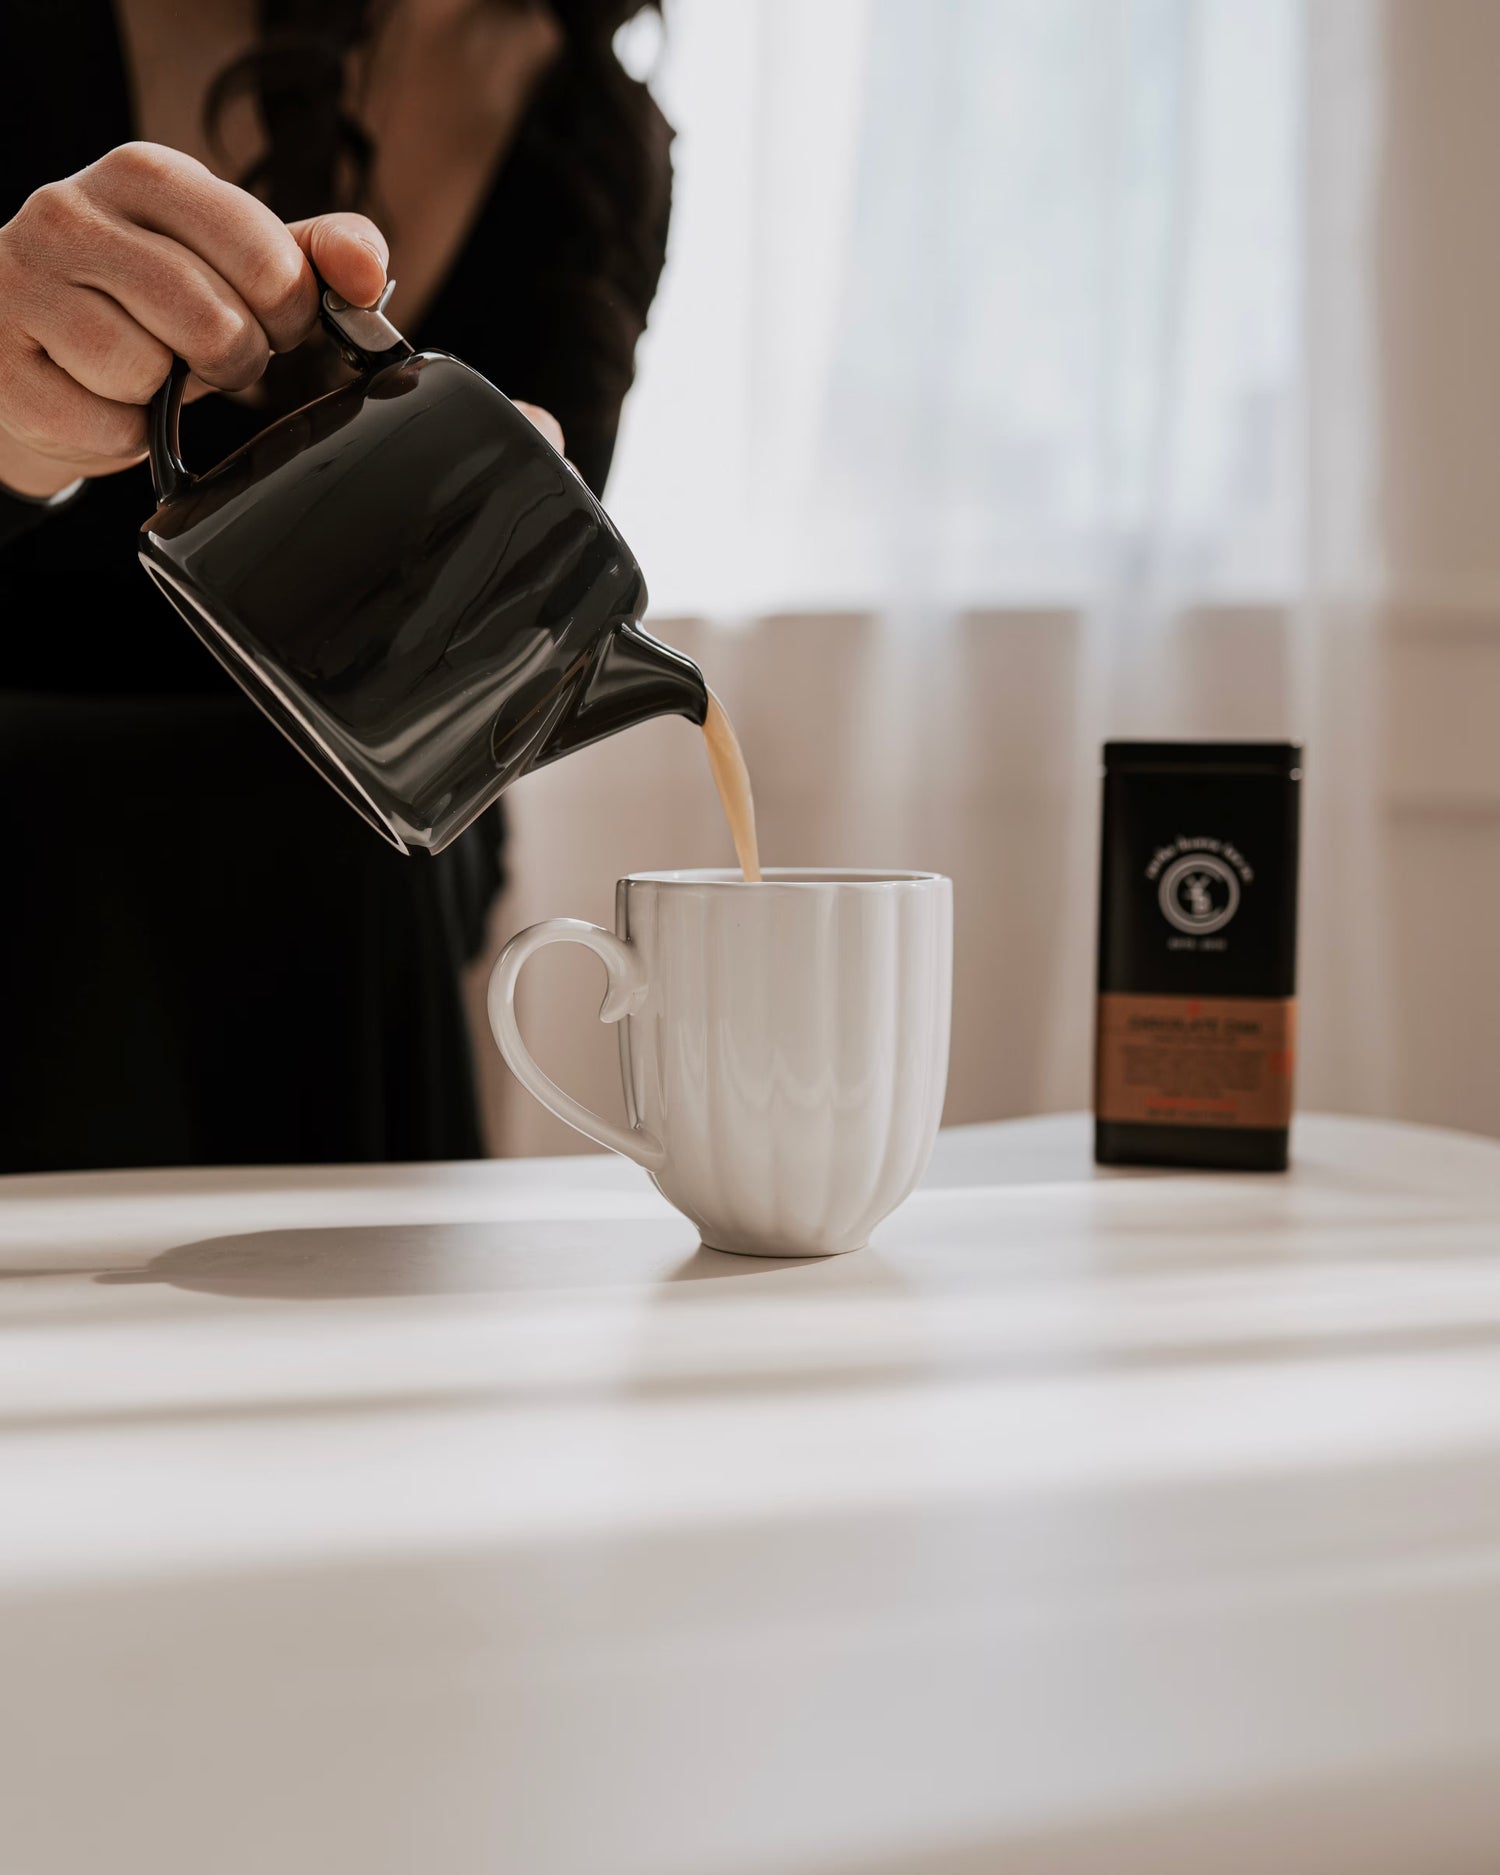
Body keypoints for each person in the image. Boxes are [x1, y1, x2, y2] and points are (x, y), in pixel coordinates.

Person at [0, 0, 671, 1172]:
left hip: (369, 845)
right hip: (41, 786)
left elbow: (489, 667)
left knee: (374, 850)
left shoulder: (596, 138)